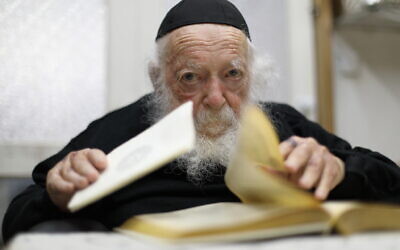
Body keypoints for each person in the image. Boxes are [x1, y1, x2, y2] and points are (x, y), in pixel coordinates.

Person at [3, 0, 400, 243]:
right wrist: (57, 193)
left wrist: (340, 169)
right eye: (190, 78)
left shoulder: (286, 124)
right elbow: (20, 215)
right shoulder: (115, 130)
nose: (214, 99)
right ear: (159, 79)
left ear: (252, 75)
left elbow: (390, 181)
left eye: (232, 75)